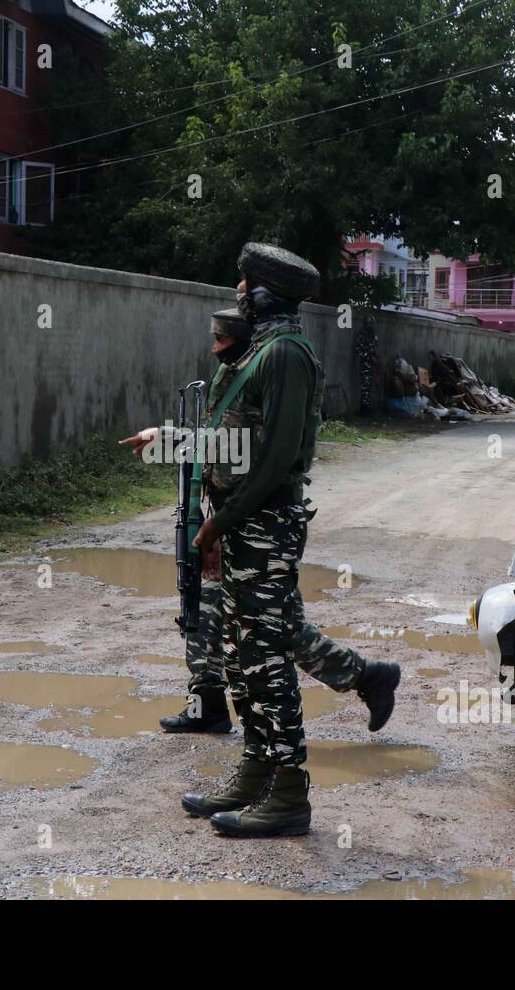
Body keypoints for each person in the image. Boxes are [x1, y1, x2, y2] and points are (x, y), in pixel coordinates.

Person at [120, 308, 400, 739]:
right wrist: (167, 436)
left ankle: (365, 677)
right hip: (231, 519)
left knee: (275, 627)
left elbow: (255, 457)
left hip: (258, 525)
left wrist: (219, 527)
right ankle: (207, 704)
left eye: (222, 339)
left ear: (243, 341)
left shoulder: (266, 379)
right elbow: (220, 448)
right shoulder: (230, 381)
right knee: (202, 611)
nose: (214, 348)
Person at [180, 242, 340, 838]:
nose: (238, 291)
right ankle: (255, 771)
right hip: (243, 524)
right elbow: (234, 446)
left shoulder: (286, 355)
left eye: (243, 283)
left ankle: (290, 794)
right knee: (243, 658)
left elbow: (273, 462)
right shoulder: (259, 351)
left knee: (268, 659)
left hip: (265, 527)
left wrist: (219, 524)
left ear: (264, 290)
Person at [355, 315, 378, 416]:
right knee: (365, 387)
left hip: (370, 363)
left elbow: (374, 348)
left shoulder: (371, 334)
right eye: (369, 324)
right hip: (365, 363)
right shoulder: (362, 334)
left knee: (368, 387)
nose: (371, 326)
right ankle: (364, 409)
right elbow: (359, 349)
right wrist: (368, 356)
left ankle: (367, 407)